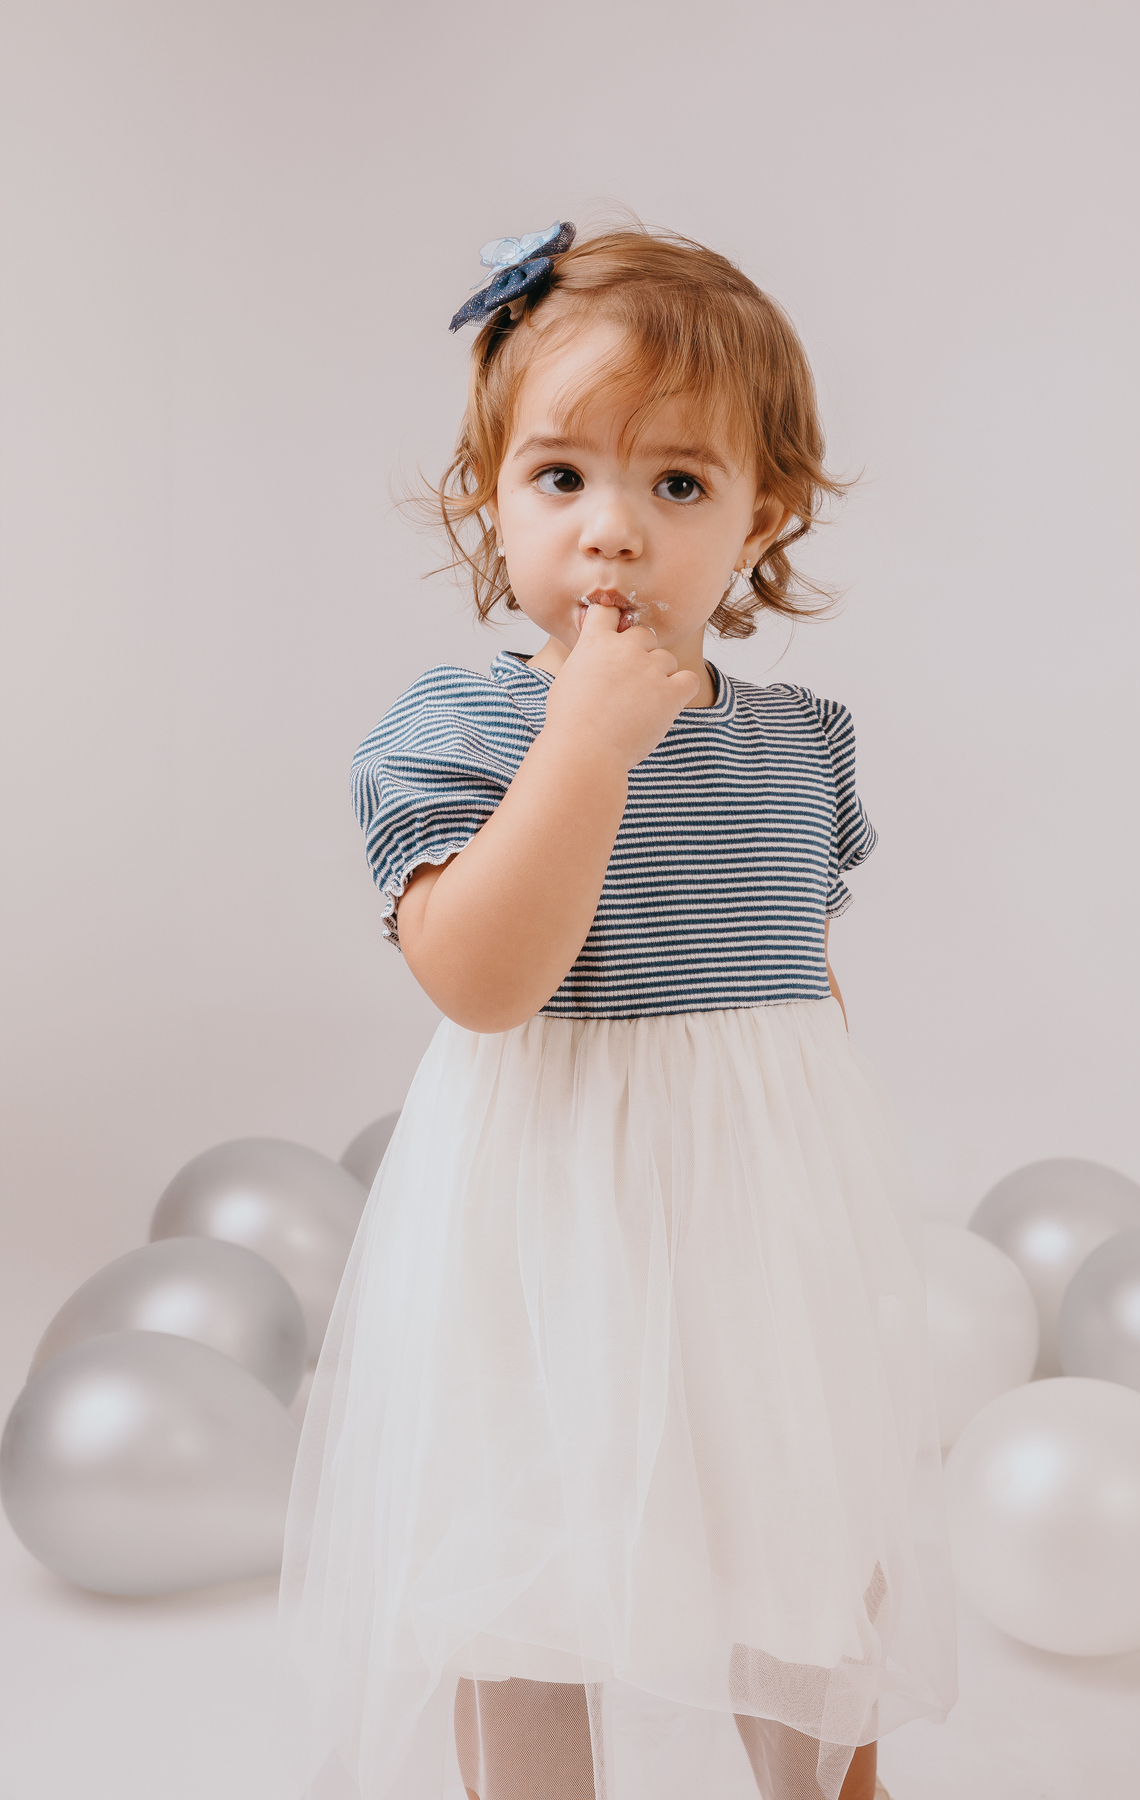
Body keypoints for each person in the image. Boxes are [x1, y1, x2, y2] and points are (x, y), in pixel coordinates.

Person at [280, 222, 958, 1800]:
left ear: (759, 519)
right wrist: (583, 747)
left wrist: (820, 1210)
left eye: (679, 485)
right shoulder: (465, 729)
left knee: (807, 1542)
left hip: (753, 1222)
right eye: (562, 476)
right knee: (526, 1572)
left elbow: (799, 986)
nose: (613, 531)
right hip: (548, 1224)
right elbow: (483, 980)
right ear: (491, 498)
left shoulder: (797, 740)